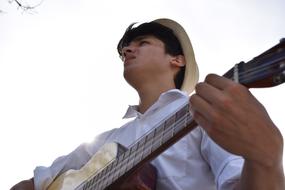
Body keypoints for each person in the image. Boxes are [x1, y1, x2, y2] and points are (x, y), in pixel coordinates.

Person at [11, 18, 284, 190]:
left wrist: (266, 161)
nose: (127, 50)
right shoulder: (105, 142)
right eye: (125, 49)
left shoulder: (206, 114)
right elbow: (30, 185)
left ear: (177, 60)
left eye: (142, 42)